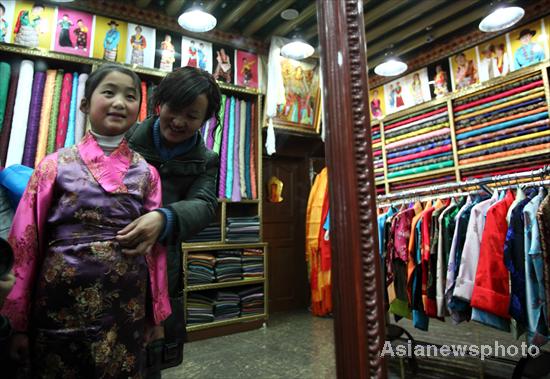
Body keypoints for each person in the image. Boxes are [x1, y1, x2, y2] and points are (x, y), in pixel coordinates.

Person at [0, 64, 171, 377]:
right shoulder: (53, 166)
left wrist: (155, 317)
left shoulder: (148, 174)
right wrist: (17, 324)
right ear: (85, 103)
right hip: (58, 307)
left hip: (125, 311)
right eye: (109, 92)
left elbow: (154, 251)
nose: (120, 102)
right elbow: (25, 243)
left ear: (139, 108)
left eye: (130, 96)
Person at [118, 66, 222, 378]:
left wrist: (165, 218)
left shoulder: (206, 160)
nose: (178, 122)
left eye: (192, 115)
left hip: (164, 267)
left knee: (150, 362)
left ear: (204, 120)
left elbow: (205, 205)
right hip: (116, 259)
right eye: (174, 109)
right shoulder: (125, 142)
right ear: (159, 104)